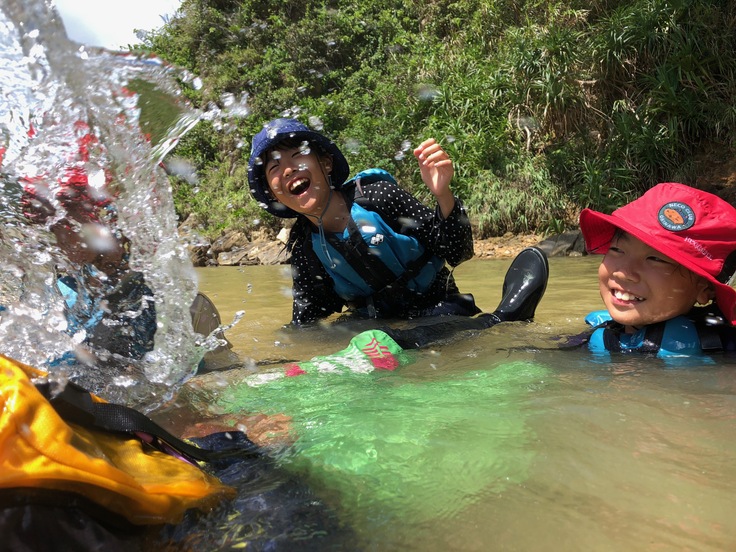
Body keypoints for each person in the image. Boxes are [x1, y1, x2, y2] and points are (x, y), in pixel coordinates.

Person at [248, 118, 481, 325]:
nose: (288, 169)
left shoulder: (379, 197)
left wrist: (443, 194)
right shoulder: (307, 251)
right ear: (273, 194)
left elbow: (458, 253)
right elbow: (306, 325)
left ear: (326, 164)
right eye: (274, 167)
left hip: (443, 314)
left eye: (297, 154)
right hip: (379, 333)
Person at [577, 182, 736, 357]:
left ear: (705, 289)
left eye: (655, 259)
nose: (623, 272)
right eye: (617, 250)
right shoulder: (595, 336)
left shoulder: (725, 349)